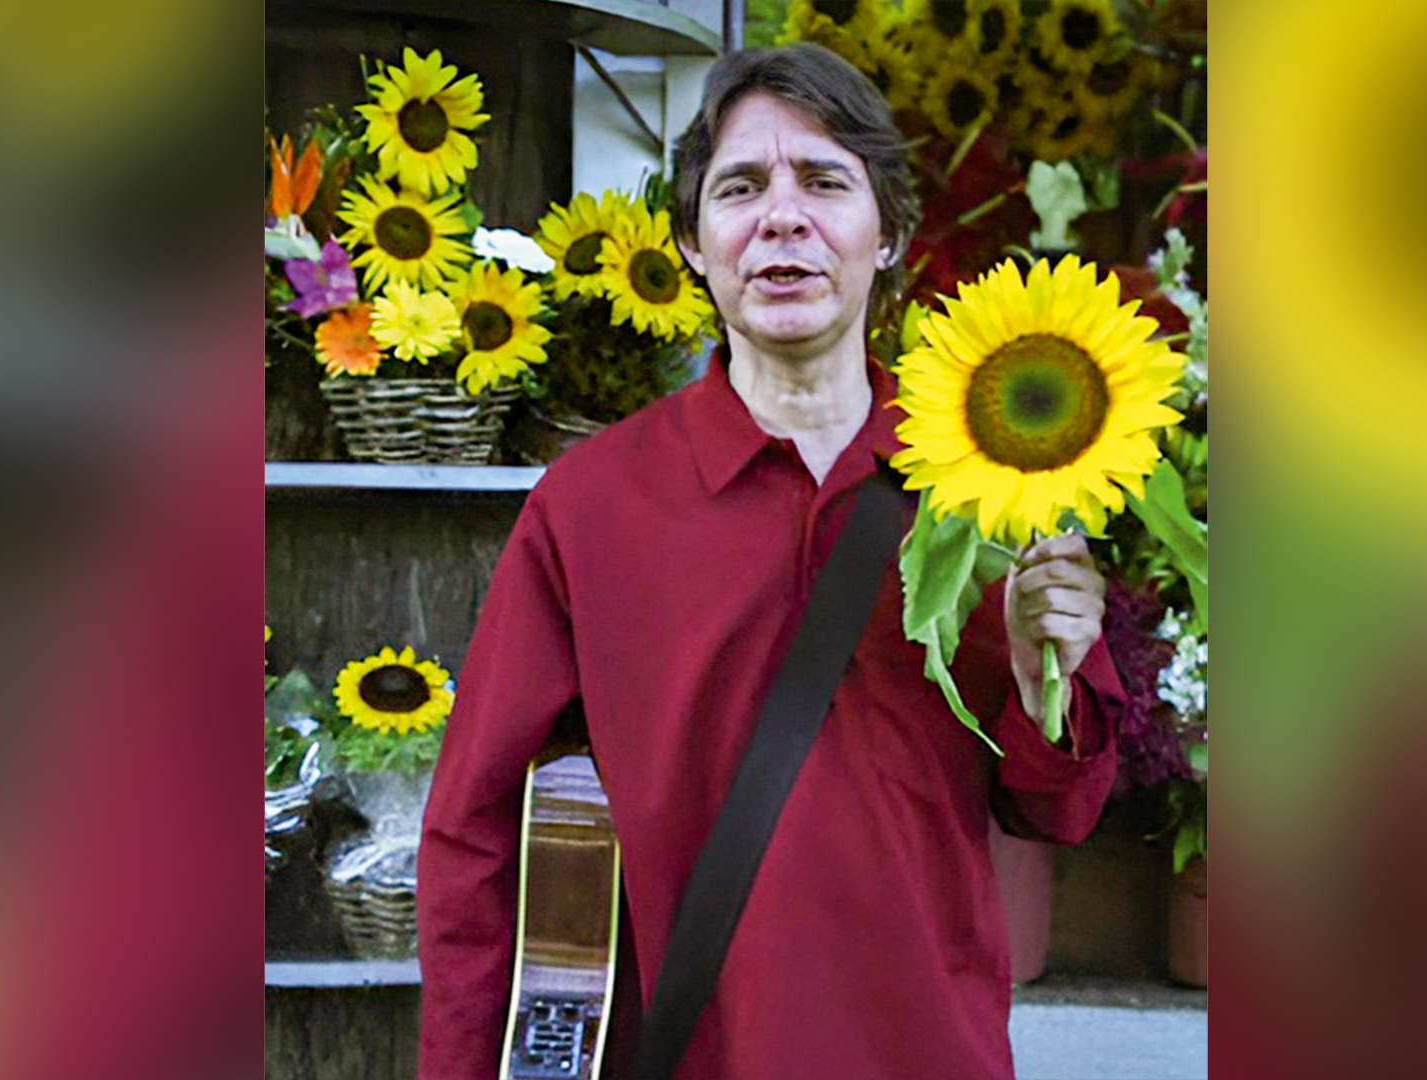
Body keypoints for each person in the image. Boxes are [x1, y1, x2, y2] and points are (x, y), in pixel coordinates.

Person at [416, 43, 1124, 1080]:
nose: (783, 217)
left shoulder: (985, 484)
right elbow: (475, 835)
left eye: (826, 182)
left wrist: (1040, 676)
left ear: (889, 234)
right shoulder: (592, 506)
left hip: (927, 1053)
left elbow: (1063, 805)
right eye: (740, 187)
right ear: (693, 245)